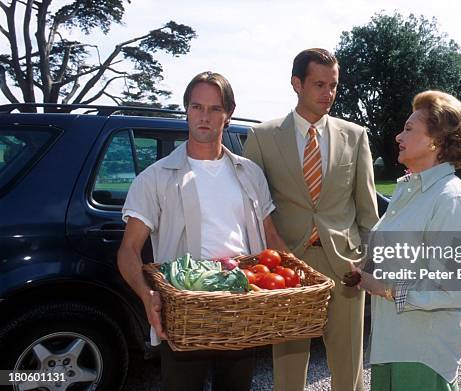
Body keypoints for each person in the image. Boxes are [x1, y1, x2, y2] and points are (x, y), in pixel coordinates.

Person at [117, 71, 287, 391]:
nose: (204, 117)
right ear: (186, 111)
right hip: (185, 312)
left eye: (214, 109)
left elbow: (271, 237)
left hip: (242, 304)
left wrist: (294, 278)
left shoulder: (250, 173)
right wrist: (146, 294)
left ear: (228, 115)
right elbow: (128, 250)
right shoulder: (154, 178)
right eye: (197, 107)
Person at [243, 48, 379, 391]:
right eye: (319, 84)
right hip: (288, 265)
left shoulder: (355, 135)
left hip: (344, 264)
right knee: (287, 365)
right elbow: (252, 206)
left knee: (349, 365)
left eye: (333, 85)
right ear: (296, 84)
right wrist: (268, 259)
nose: (328, 93)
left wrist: (369, 260)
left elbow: (366, 207)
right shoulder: (262, 136)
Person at [352, 90, 461, 391]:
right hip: (393, 345)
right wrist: (367, 263)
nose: (399, 136)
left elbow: (452, 290)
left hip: (422, 354)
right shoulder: (410, 192)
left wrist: (384, 289)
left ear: (436, 139)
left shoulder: (452, 200)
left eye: (409, 129)